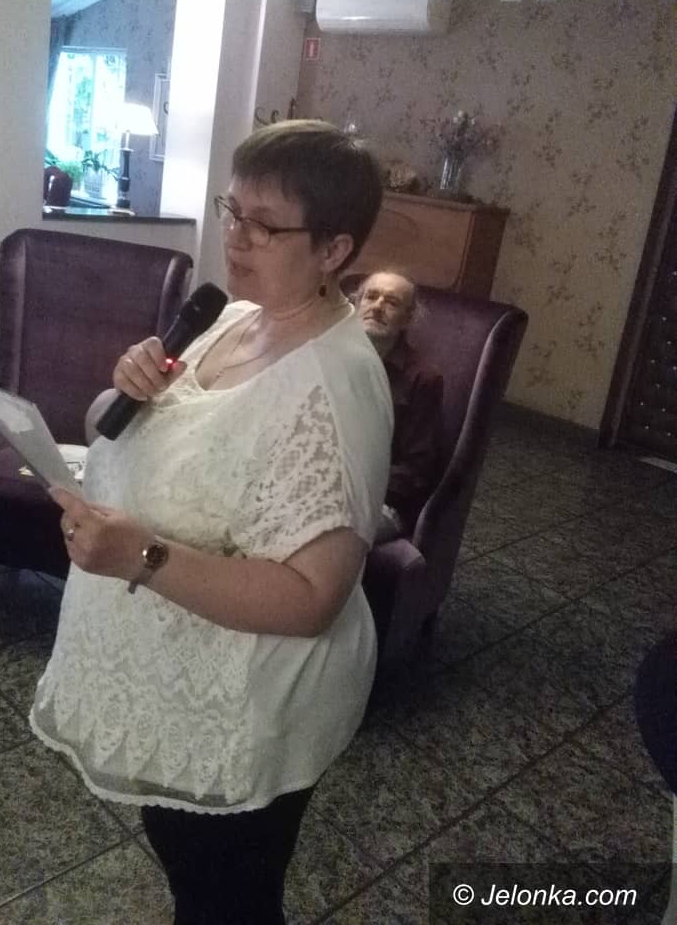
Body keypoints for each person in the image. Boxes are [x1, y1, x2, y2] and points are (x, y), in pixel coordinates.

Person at [30, 120, 394, 924]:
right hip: (173, 681)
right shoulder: (231, 318)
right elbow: (128, 430)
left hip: (247, 706)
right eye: (233, 211)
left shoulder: (335, 387)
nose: (235, 237)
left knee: (229, 900)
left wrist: (143, 556)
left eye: (265, 225)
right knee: (190, 876)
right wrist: (121, 389)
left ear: (334, 250)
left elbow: (312, 597)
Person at [354, 269, 444, 541]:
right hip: (319, 482)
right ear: (356, 304)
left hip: (382, 502)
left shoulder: (423, 379)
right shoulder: (333, 356)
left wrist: (353, 488)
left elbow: (416, 470)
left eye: (392, 302)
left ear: (408, 319)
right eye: (371, 297)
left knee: (313, 531)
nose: (377, 307)